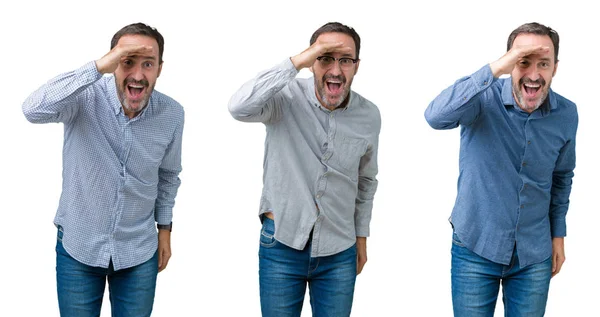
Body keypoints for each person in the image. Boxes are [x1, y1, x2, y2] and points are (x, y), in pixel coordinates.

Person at [22, 22, 184, 316]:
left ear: (160, 68)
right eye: (127, 61)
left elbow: (168, 176)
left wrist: (165, 230)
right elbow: (32, 109)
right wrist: (97, 67)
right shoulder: (83, 97)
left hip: (138, 251)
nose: (138, 74)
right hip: (79, 248)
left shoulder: (172, 113)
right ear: (113, 62)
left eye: (147, 63)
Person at [425, 22, 577, 316]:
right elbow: (435, 116)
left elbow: (562, 177)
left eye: (543, 64)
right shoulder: (481, 98)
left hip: (534, 253)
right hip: (475, 246)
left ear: (555, 68)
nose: (534, 75)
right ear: (509, 62)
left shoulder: (567, 113)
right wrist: (495, 68)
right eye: (523, 62)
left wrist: (558, 235)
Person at [229, 22, 380, 316]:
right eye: (325, 58)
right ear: (312, 61)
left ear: (356, 66)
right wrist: (297, 61)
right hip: (281, 244)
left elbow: (366, 181)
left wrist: (361, 236)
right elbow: (238, 107)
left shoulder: (370, 115)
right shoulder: (283, 97)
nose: (335, 70)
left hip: (340, 250)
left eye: (345, 60)